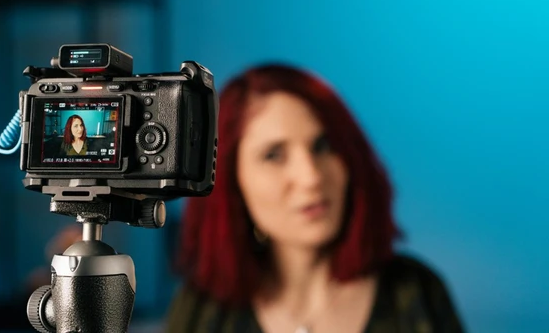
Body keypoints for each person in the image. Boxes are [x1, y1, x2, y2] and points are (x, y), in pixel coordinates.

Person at [165, 64, 465, 333]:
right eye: (274, 155)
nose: (311, 177)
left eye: (323, 145)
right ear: (229, 181)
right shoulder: (200, 310)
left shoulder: (416, 293)